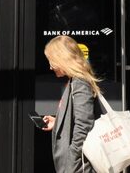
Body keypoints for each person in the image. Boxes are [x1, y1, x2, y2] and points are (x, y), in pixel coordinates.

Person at [41, 35, 101, 173]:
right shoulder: (76, 81)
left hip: (78, 166)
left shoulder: (80, 82)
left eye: (51, 61)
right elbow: (79, 118)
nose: (50, 67)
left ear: (62, 59)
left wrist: (72, 158)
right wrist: (57, 123)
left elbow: (84, 124)